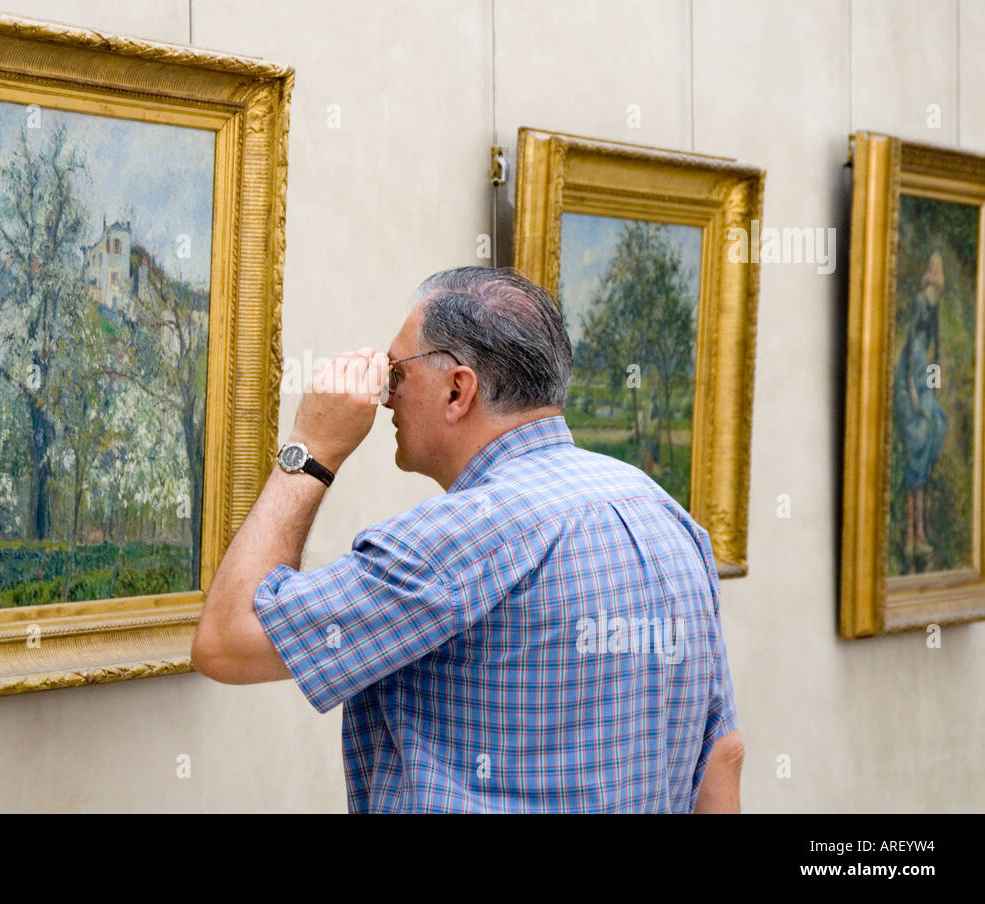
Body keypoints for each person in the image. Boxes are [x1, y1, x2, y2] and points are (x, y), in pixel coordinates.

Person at [192, 266, 742, 813]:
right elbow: (722, 761)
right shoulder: (669, 519)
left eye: (395, 374)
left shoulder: (453, 540)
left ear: (458, 390)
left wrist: (310, 448)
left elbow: (226, 640)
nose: (385, 399)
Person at [892, 250, 948, 567]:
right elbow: (912, 341)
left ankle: (920, 533)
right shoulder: (918, 301)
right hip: (909, 376)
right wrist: (914, 390)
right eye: (935, 271)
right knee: (918, 437)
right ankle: (913, 533)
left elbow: (935, 349)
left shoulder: (934, 304)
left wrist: (934, 384)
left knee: (936, 424)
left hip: (924, 372)